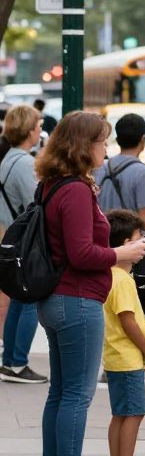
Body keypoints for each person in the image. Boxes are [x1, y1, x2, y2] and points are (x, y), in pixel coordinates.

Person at [35, 112, 145, 456]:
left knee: (60, 392)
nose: (107, 148)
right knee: (76, 395)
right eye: (102, 141)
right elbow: (82, 253)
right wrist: (123, 252)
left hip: (56, 299)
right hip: (77, 300)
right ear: (84, 146)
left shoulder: (53, 185)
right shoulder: (77, 192)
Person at [102, 209, 145, 456]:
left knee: (120, 414)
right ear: (126, 244)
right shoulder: (123, 280)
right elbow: (128, 320)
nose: (143, 247)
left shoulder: (110, 276)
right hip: (127, 358)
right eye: (139, 239)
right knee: (134, 413)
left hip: (114, 357)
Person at [0, 105, 47, 384]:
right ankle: (17, 362)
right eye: (38, 125)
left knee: (19, 299)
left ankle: (11, 360)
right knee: (29, 299)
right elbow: (38, 204)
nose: (40, 129)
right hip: (28, 241)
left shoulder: (7, 160)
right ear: (29, 130)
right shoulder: (24, 164)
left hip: (13, 238)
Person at [94, 113, 145, 229]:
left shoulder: (101, 167)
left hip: (102, 236)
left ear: (117, 140)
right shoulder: (142, 172)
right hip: (128, 241)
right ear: (143, 140)